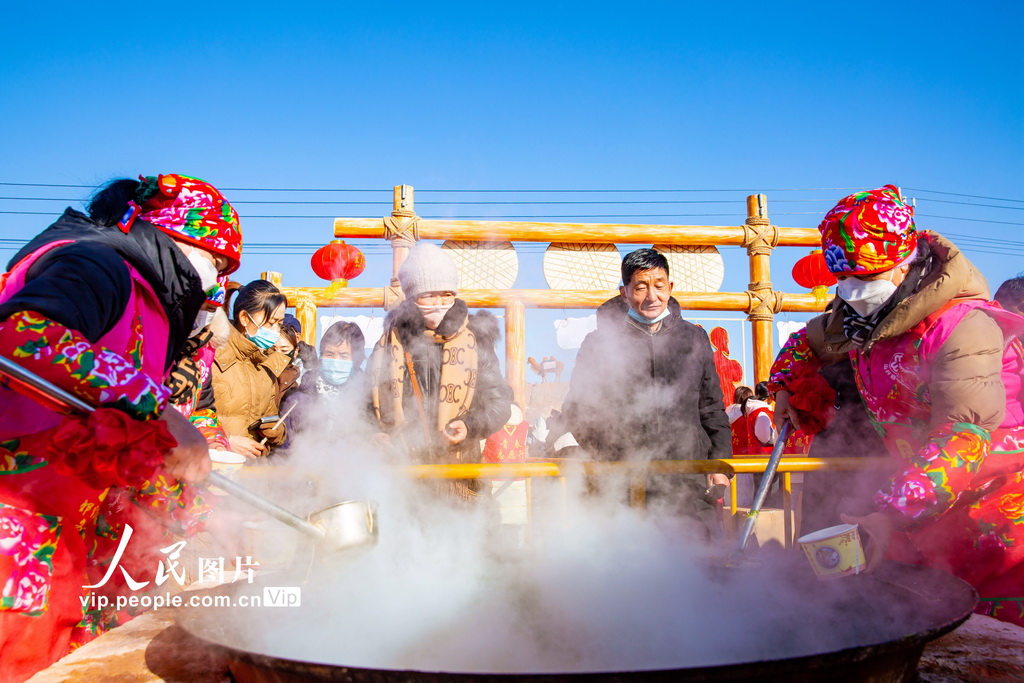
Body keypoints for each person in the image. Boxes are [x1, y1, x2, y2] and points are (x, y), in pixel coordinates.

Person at [0, 174, 241, 680]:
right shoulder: (98, 262)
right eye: (214, 263)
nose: (217, 285)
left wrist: (193, 514)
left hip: (68, 534)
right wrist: (163, 410)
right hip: (16, 529)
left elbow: (112, 426)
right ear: (176, 238)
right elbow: (20, 337)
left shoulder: (146, 299)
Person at [769, 185, 1024, 626]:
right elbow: (802, 345)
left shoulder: (962, 326)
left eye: (865, 278)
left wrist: (892, 511)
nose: (850, 292)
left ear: (905, 263)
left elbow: (964, 436)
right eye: (842, 279)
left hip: (992, 514)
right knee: (919, 623)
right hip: (916, 506)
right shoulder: (861, 318)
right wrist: (786, 388)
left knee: (988, 643)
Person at [560, 248, 732, 535]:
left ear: (670, 287)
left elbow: (712, 407)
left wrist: (720, 463)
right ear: (624, 292)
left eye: (659, 285)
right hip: (623, 483)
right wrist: (613, 454)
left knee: (699, 566)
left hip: (687, 479)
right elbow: (578, 409)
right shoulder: (599, 343)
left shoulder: (694, 337)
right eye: (640, 287)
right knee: (632, 570)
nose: (652, 296)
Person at [369, 243, 513, 500]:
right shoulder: (390, 342)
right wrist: (373, 433)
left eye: (446, 294)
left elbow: (499, 403)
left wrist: (470, 425)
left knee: (463, 538)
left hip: (460, 476)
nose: (439, 303)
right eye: (429, 295)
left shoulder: (476, 339)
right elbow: (364, 404)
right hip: (403, 475)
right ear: (413, 297)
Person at [211, 280, 291, 458]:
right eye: (271, 323)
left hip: (250, 471)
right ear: (245, 318)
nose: (276, 331)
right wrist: (226, 440)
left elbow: (270, 415)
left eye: (279, 323)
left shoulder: (265, 365)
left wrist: (277, 432)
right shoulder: (211, 354)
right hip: (212, 465)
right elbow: (186, 413)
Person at [281, 321, 368, 450]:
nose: (336, 360)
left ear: (357, 359)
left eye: (344, 355)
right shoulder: (298, 401)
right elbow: (283, 450)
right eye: (329, 354)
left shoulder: (368, 398)